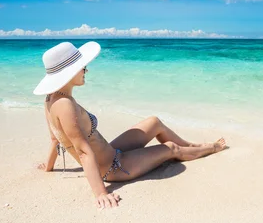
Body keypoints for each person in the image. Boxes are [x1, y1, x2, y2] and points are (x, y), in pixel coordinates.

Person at [33, 41, 227, 209]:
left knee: (154, 122)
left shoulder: (50, 99)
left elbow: (54, 138)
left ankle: (192, 146)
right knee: (170, 148)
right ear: (71, 71)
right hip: (114, 167)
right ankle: (212, 147)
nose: (86, 70)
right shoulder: (65, 105)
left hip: (111, 151)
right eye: (83, 66)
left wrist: (49, 167)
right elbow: (83, 151)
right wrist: (101, 193)